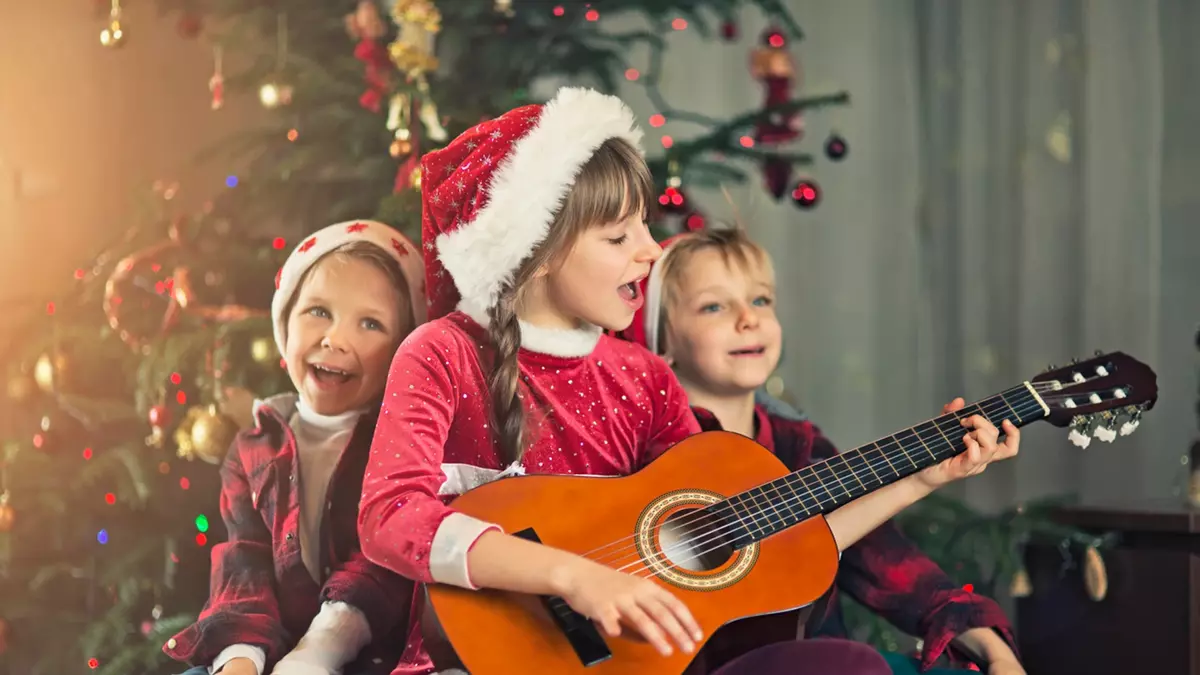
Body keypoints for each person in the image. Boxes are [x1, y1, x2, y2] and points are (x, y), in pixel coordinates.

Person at [356, 87, 1010, 675]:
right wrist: (571, 576)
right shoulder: (443, 352)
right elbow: (390, 515)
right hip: (473, 660)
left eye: (645, 225)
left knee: (846, 664)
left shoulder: (645, 378)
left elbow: (742, 538)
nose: (650, 249)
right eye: (619, 235)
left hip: (645, 664)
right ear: (536, 252)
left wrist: (924, 476)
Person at [619, 227, 1026, 675]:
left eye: (760, 301)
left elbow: (891, 567)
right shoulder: (645, 446)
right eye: (713, 306)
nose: (747, 319)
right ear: (662, 340)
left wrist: (995, 651)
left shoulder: (800, 445)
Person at [164, 221, 427, 675]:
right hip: (271, 645)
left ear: (401, 351)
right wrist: (241, 657)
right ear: (284, 325)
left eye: (369, 323)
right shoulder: (251, 448)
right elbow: (244, 562)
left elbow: (384, 560)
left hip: (369, 649)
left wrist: (320, 650)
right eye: (319, 312)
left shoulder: (399, 442)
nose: (335, 339)